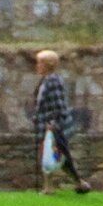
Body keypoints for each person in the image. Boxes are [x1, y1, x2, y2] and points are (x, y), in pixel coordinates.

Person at [32, 49, 88, 193]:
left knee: (56, 155)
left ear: (47, 65)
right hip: (46, 124)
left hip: (52, 125)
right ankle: (60, 185)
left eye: (39, 63)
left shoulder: (53, 81)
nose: (37, 66)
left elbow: (59, 105)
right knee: (50, 155)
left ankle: (74, 183)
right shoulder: (46, 80)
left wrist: (52, 124)